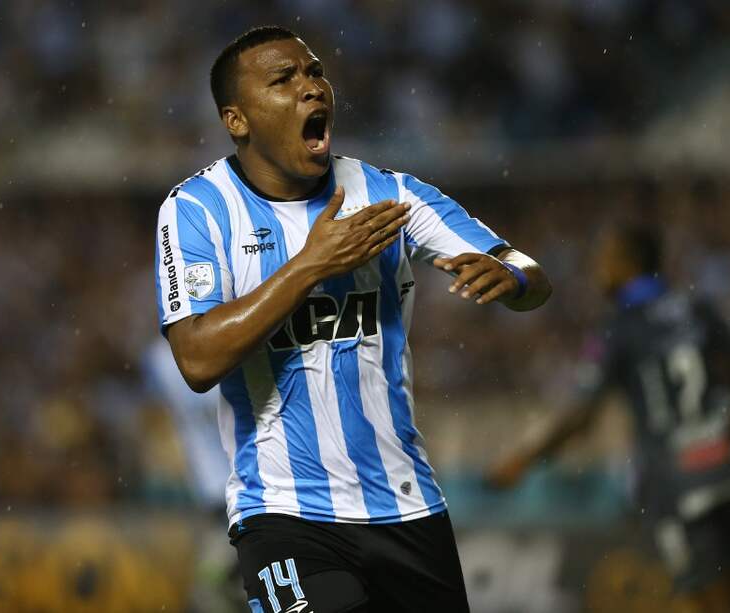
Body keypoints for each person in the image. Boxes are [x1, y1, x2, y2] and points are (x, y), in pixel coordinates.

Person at [154, 25, 551, 613]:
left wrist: (512, 277)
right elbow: (197, 358)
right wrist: (312, 265)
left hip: (407, 505)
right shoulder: (197, 210)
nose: (311, 87)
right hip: (283, 512)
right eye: (283, 80)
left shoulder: (387, 195)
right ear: (237, 120)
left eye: (315, 72)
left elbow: (526, 271)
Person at [488, 225, 730, 613]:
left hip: (674, 479)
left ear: (627, 264)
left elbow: (583, 416)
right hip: (721, 467)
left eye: (605, 260)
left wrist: (524, 459)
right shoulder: (697, 308)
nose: (598, 269)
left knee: (701, 601)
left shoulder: (618, 328)